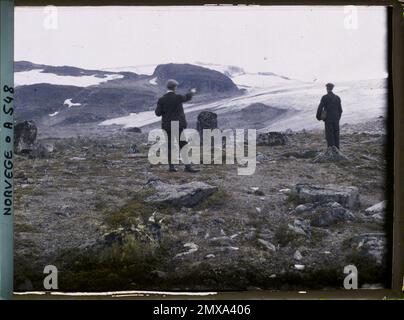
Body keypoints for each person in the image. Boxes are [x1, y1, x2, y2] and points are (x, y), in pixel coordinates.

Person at [155, 79, 199, 172]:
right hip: (177, 125)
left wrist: (165, 111)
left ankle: (171, 167)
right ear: (175, 87)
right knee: (183, 144)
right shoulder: (178, 97)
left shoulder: (162, 99)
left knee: (170, 146)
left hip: (167, 125)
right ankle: (187, 167)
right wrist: (192, 92)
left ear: (168, 87)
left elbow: (158, 113)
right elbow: (187, 97)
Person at [316, 83, 343, 149]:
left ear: (327, 88)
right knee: (336, 134)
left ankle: (331, 150)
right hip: (336, 119)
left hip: (328, 119)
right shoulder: (337, 98)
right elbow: (340, 110)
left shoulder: (325, 97)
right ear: (332, 88)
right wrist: (337, 118)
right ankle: (337, 150)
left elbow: (320, 108)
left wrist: (318, 117)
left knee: (329, 135)